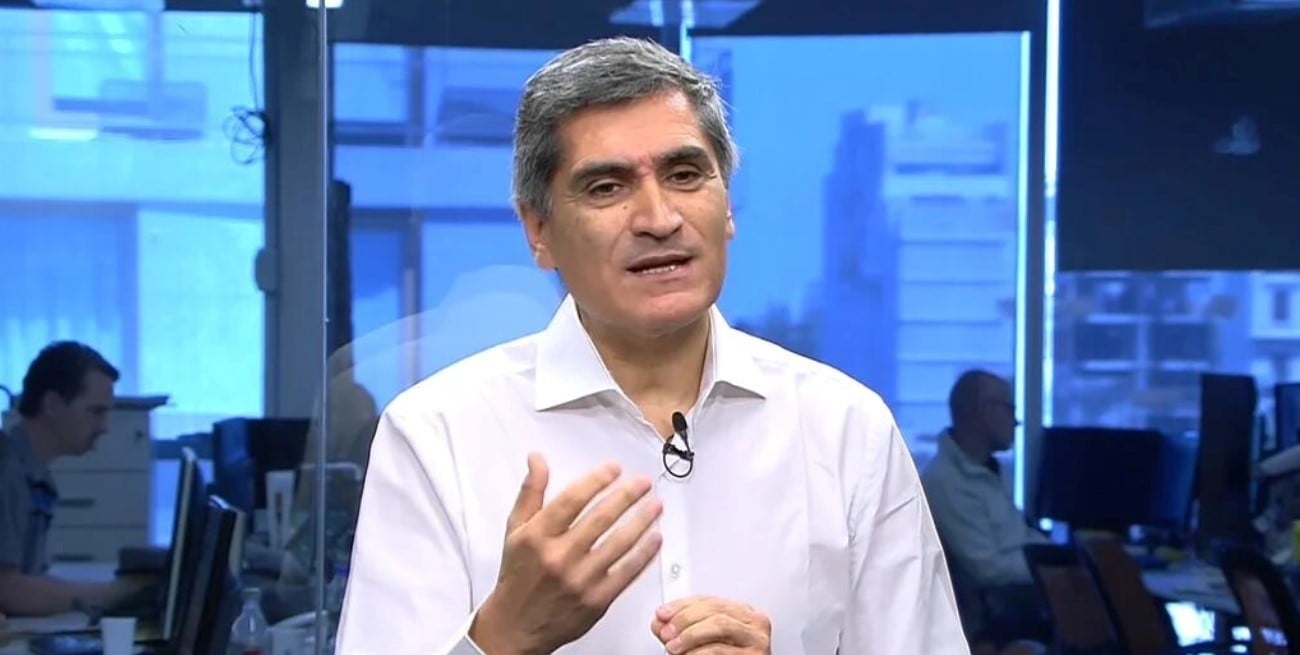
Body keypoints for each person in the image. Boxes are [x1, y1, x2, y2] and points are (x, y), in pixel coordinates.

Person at [337, 36, 967, 654]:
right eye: (606, 188)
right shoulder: (438, 436)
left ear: (727, 205)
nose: (659, 219)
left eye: (685, 174)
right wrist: (503, 638)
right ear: (538, 230)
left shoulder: (846, 430)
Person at [0, 341, 151, 616]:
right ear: (52, 405)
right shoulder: (8, 472)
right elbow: (9, 590)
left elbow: (30, 580)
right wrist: (115, 594)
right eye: (95, 412)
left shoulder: (34, 474)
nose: (104, 428)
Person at [922, 370, 1049, 644]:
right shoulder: (945, 480)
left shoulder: (986, 471)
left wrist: (1059, 557)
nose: (1016, 421)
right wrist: (1049, 563)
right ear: (985, 411)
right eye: (1009, 409)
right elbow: (988, 569)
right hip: (1000, 613)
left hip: (1020, 596)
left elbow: (1018, 539)